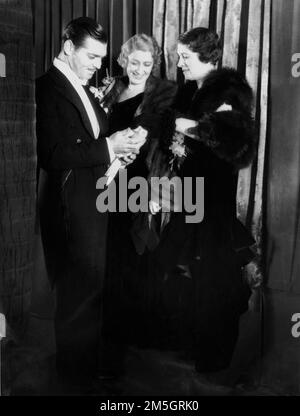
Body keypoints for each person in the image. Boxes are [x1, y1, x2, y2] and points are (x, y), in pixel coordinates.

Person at [130, 27, 257, 376]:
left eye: (186, 57)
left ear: (209, 59)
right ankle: (181, 344)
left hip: (213, 201)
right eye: (179, 55)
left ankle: (213, 362)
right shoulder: (187, 90)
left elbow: (236, 144)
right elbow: (170, 129)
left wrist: (193, 128)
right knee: (168, 266)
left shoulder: (231, 91)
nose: (180, 63)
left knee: (214, 280)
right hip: (186, 195)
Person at [35, 17, 145, 391]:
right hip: (70, 210)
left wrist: (118, 157)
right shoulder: (47, 88)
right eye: (92, 56)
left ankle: (81, 374)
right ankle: (72, 381)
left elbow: (92, 150)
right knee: (76, 297)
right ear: (68, 47)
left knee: (90, 295)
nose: (99, 65)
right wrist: (110, 147)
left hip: (93, 204)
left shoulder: (82, 87)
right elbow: (53, 154)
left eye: (101, 58)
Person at [97, 34, 178, 377]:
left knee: (136, 255)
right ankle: (113, 337)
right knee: (112, 256)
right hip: (107, 181)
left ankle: (132, 341)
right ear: (123, 61)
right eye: (134, 62)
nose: (141, 69)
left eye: (148, 63)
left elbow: (152, 124)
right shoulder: (111, 89)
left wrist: (133, 142)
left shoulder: (163, 91)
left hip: (142, 182)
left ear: (154, 64)